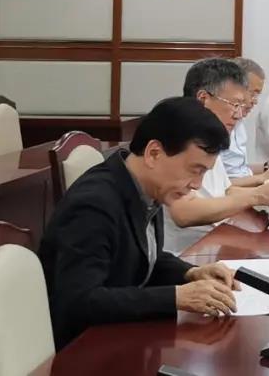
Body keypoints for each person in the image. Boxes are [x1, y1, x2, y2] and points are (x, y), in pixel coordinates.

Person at [39, 97, 241, 349]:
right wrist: (175, 297)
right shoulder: (93, 205)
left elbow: (141, 258)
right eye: (195, 170)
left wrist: (189, 273)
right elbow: (80, 301)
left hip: (121, 336)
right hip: (86, 349)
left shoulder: (146, 188)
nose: (197, 184)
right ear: (154, 153)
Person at [164, 58, 269, 252]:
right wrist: (256, 195)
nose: (239, 115)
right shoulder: (177, 137)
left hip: (218, 239)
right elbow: (184, 213)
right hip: (190, 251)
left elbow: (225, 191)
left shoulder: (209, 137)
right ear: (203, 99)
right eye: (234, 104)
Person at [221, 57, 269, 178]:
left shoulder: (239, 122)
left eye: (257, 95)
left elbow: (239, 170)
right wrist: (262, 179)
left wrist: (268, 166)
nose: (255, 101)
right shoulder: (217, 124)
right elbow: (225, 182)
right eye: (252, 93)